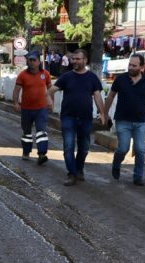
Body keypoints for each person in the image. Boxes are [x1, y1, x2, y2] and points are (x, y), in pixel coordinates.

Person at [47, 49, 106, 186]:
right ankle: (71, 174)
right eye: (73, 59)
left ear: (85, 60)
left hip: (85, 118)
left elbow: (97, 96)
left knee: (84, 147)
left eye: (78, 59)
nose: (75, 61)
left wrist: (102, 113)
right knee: (68, 147)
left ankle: (79, 169)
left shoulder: (92, 77)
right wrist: (49, 100)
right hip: (68, 117)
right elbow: (50, 91)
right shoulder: (66, 77)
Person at [103, 53, 145, 186]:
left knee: (140, 149)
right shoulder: (120, 79)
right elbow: (111, 96)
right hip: (123, 120)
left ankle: (138, 177)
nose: (130, 67)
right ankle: (116, 163)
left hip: (141, 121)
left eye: (134, 65)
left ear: (142, 67)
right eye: (129, 64)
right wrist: (105, 114)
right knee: (123, 148)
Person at [12, 51, 53, 165]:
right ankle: (26, 151)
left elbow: (50, 89)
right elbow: (16, 90)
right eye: (29, 60)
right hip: (26, 109)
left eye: (34, 60)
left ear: (39, 61)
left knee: (41, 132)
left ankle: (41, 154)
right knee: (27, 132)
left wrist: (50, 101)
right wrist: (16, 103)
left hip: (41, 109)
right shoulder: (23, 75)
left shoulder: (45, 74)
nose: (31, 62)